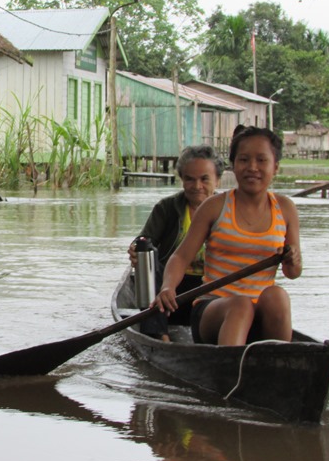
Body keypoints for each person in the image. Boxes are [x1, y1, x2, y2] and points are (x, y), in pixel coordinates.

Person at [152, 126, 302, 346]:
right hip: (213, 309)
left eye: (261, 160)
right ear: (234, 165)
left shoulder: (285, 208)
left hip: (259, 312)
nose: (252, 168)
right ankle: (228, 368)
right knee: (240, 305)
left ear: (276, 167)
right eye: (244, 160)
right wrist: (168, 288)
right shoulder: (214, 207)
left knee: (277, 295)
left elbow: (293, 272)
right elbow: (181, 257)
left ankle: (277, 362)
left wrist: (293, 259)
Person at [128, 145, 224, 340]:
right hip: (171, 290)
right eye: (190, 179)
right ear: (182, 180)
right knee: (149, 260)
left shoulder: (229, 209)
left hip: (212, 289)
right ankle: (158, 333)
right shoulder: (168, 208)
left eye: (204, 179)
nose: (197, 186)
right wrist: (136, 248)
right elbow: (145, 239)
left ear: (217, 180)